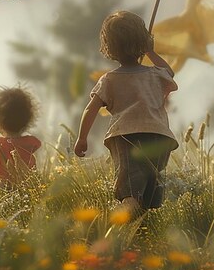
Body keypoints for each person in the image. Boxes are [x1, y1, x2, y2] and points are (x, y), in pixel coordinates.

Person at [74, 11, 179, 217]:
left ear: (109, 48)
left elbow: (91, 108)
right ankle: (137, 231)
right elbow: (170, 73)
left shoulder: (109, 80)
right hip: (159, 137)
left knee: (130, 192)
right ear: (142, 42)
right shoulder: (155, 74)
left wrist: (82, 138)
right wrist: (150, 51)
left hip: (127, 137)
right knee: (148, 188)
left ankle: (114, 224)